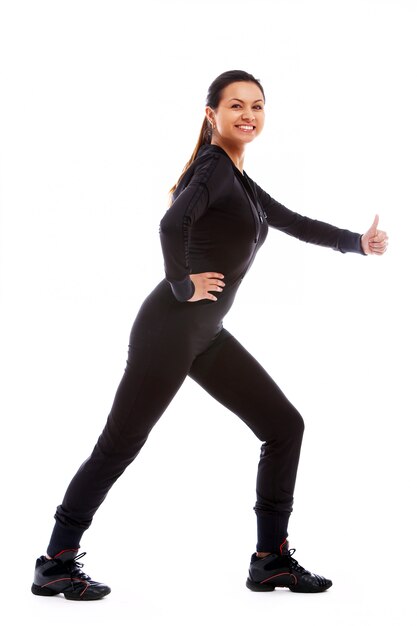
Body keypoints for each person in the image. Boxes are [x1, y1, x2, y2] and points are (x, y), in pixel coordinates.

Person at [31, 69, 388, 600]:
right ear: (211, 115)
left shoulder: (237, 177)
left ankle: (270, 560)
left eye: (258, 106)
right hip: (171, 328)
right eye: (236, 105)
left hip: (204, 332)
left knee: (284, 425)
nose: (248, 114)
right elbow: (171, 225)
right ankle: (55, 561)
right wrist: (181, 285)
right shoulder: (214, 166)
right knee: (121, 444)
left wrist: (356, 243)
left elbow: (290, 220)